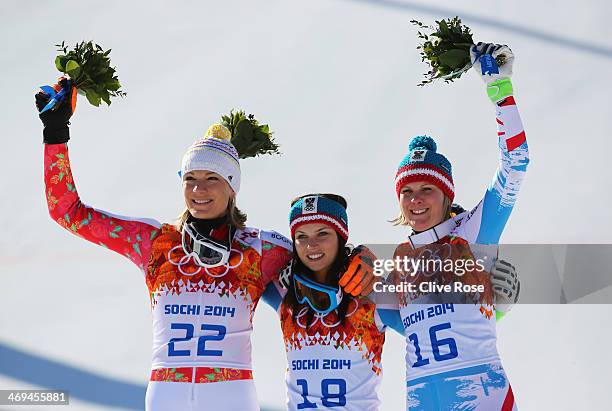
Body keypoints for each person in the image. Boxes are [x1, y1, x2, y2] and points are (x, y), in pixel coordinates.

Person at [35, 79, 375, 410]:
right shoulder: (154, 242)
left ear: (232, 188)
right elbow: (67, 212)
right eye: (191, 180)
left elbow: (320, 253)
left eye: (212, 179)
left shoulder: (261, 249)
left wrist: (363, 257)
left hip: (231, 395)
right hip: (166, 394)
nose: (200, 190)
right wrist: (55, 134)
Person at [391, 43, 528, 410]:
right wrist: (496, 311)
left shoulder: (471, 233)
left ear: (447, 195)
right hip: (422, 400)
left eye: (427, 190)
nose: (416, 200)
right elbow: (400, 323)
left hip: (482, 396)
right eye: (407, 191)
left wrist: (500, 91)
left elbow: (515, 164)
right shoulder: (401, 261)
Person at [263, 194, 405, 410]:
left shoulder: (371, 293)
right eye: (301, 236)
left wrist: (377, 256)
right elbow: (242, 251)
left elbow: (432, 320)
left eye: (323, 233)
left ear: (341, 237)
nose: (311, 245)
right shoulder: (285, 294)